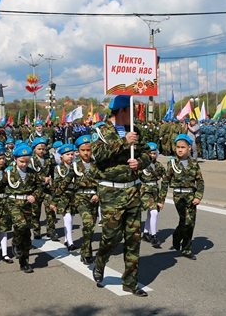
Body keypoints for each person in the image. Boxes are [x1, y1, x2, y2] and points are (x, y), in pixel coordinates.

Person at [90, 95, 151, 297]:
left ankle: (130, 282)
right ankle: (100, 262)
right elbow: (99, 155)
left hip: (133, 190)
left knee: (134, 238)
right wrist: (124, 143)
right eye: (132, 110)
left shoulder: (135, 130)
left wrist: (140, 163)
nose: (135, 115)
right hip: (111, 192)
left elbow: (146, 154)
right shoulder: (100, 130)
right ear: (123, 111)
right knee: (111, 237)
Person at [0, 144, 40, 272]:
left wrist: (34, 195)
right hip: (12, 203)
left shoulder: (32, 173)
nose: (24, 164)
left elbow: (40, 187)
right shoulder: (9, 172)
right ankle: (15, 243)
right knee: (21, 225)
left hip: (27, 204)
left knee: (26, 234)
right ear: (15, 159)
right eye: (22, 161)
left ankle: (24, 262)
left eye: (27, 161)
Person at [159, 134, 205, 260]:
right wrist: (161, 200)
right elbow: (164, 182)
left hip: (191, 195)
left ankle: (186, 249)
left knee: (191, 223)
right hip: (179, 195)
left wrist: (198, 196)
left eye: (183, 147)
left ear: (189, 148)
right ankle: (177, 236)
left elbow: (200, 181)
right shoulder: (172, 162)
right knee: (185, 220)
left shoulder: (194, 164)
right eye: (178, 147)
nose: (179, 149)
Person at [70, 135, 100, 265]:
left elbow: (103, 181)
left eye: (88, 149)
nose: (86, 152)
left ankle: (84, 248)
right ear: (78, 151)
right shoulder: (75, 166)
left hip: (94, 198)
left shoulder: (97, 164)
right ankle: (87, 252)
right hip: (80, 198)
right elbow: (64, 183)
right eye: (83, 150)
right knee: (88, 222)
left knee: (91, 227)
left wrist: (98, 193)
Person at [48, 144, 77, 251]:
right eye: (67, 154)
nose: (70, 156)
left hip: (73, 195)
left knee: (71, 217)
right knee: (67, 217)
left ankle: (66, 239)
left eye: (72, 154)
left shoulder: (76, 166)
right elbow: (56, 184)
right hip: (63, 195)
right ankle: (70, 242)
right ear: (61, 157)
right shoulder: (58, 168)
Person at [29, 137, 59, 241]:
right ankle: (36, 230)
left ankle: (51, 231)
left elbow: (52, 173)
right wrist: (42, 178)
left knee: (50, 210)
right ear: (34, 149)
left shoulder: (49, 159)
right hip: (35, 189)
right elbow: (30, 175)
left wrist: (53, 186)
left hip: (47, 189)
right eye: (39, 149)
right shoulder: (30, 160)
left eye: (43, 149)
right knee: (35, 211)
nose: (41, 151)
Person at [140, 142, 166, 248]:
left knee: (151, 214)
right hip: (144, 191)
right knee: (154, 212)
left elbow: (164, 182)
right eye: (150, 153)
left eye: (154, 153)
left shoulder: (159, 166)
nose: (152, 155)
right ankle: (154, 237)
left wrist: (162, 200)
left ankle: (146, 233)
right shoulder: (141, 165)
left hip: (155, 191)